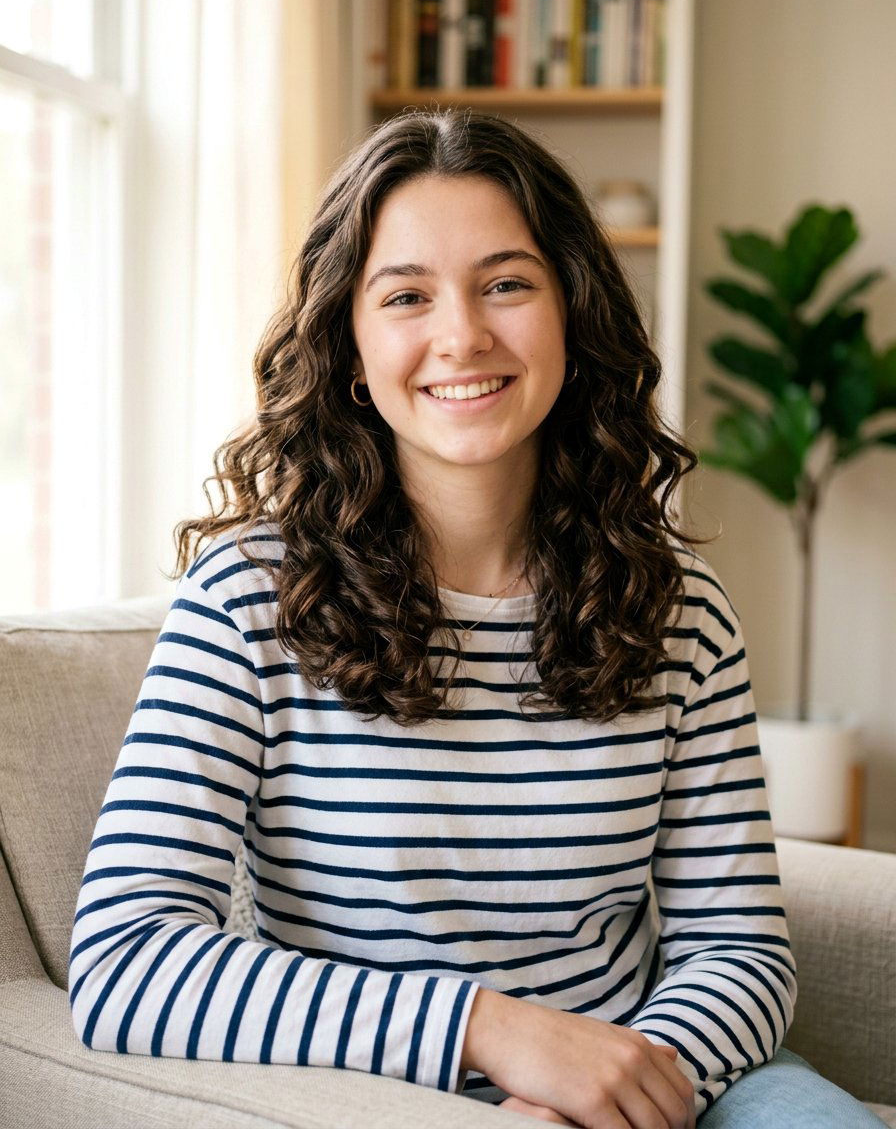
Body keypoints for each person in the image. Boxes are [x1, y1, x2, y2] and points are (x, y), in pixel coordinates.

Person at [68, 108, 888, 1129]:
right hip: (384, 1101)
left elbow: (738, 950)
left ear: (572, 318)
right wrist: (490, 1031)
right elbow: (124, 959)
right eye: (405, 295)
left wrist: (609, 1086)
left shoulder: (678, 609)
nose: (461, 334)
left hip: (663, 1082)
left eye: (506, 283)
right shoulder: (245, 599)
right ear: (351, 350)